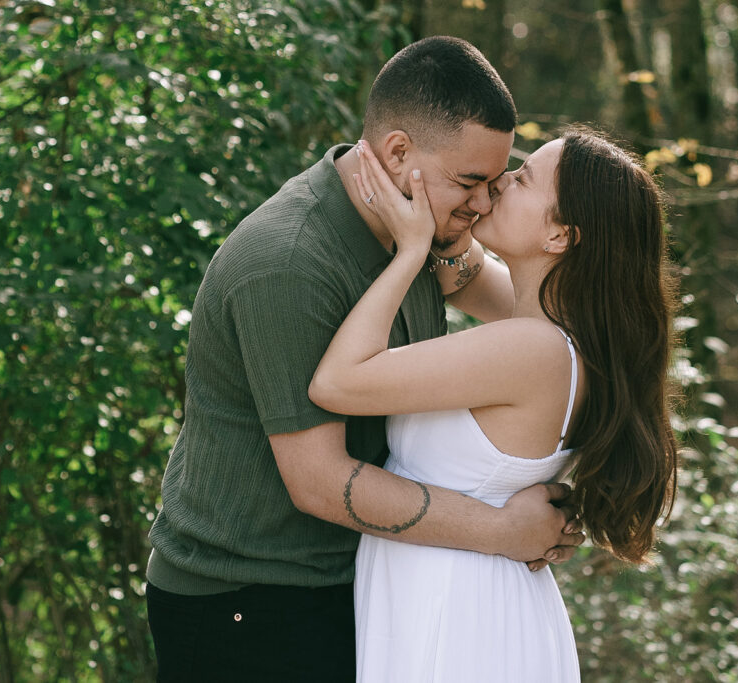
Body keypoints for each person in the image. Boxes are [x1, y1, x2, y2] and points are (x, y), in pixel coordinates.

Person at [144, 36, 584, 682]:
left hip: (341, 584)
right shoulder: (289, 264)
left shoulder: (428, 236)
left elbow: (546, 328)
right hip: (245, 602)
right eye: (470, 182)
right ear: (399, 152)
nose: (485, 204)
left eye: (497, 183)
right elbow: (319, 479)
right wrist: (503, 530)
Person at [308, 127, 681, 681]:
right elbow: (465, 278)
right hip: (464, 594)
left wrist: (410, 252)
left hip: (457, 613)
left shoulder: (532, 348)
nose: (501, 182)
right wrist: (444, 223)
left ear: (559, 235)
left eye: (524, 178)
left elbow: (337, 383)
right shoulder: (566, 332)